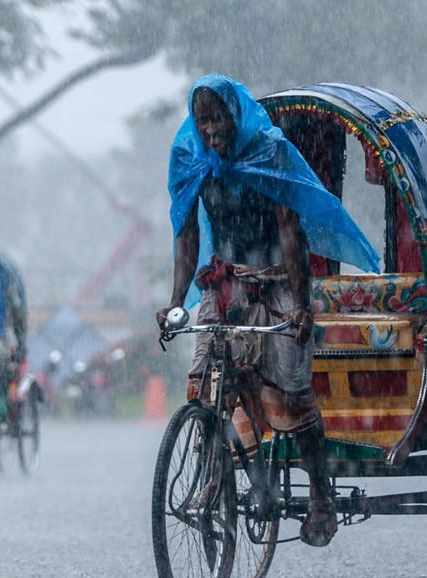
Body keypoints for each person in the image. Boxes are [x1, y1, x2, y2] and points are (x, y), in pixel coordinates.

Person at [156, 73, 379, 547]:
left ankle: (321, 495)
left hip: (278, 283)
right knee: (204, 383)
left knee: (293, 391)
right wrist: (176, 302)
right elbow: (187, 234)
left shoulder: (269, 152)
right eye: (203, 121)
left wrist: (302, 306)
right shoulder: (192, 159)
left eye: (218, 118)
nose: (211, 129)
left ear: (235, 115)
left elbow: (289, 230)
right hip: (224, 285)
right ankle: (215, 475)